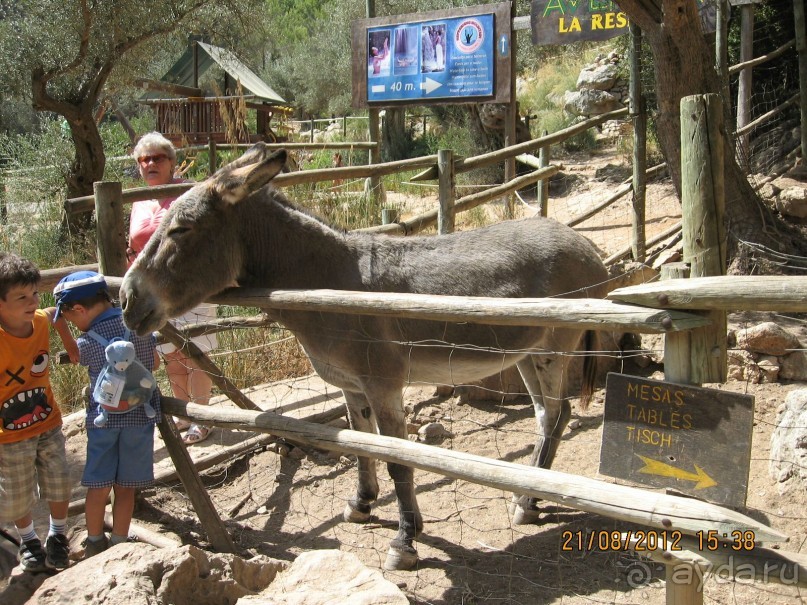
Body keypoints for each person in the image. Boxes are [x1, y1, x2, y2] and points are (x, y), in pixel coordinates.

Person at [53, 271, 161, 558]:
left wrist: (61, 327)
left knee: (99, 485)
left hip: (104, 421)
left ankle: (95, 541)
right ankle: (120, 541)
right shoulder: (139, 328)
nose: (74, 325)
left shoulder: (88, 342)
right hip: (140, 418)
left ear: (78, 310)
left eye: (71, 318)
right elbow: (156, 363)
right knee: (126, 486)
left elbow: (74, 355)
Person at [128, 132, 217, 445]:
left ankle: (202, 417)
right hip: (154, 293)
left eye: (157, 158)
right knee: (172, 355)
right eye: (144, 159)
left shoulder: (188, 194)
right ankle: (182, 413)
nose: (150, 163)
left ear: (171, 162)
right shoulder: (137, 200)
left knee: (196, 353)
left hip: (188, 287)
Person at [0, 252, 78, 572]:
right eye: (21, 297)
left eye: (34, 293)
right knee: (18, 493)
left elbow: (55, 314)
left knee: (59, 480)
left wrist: (70, 346)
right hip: (9, 433)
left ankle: (57, 535)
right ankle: (29, 539)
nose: (32, 301)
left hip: (47, 421)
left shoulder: (41, 321)